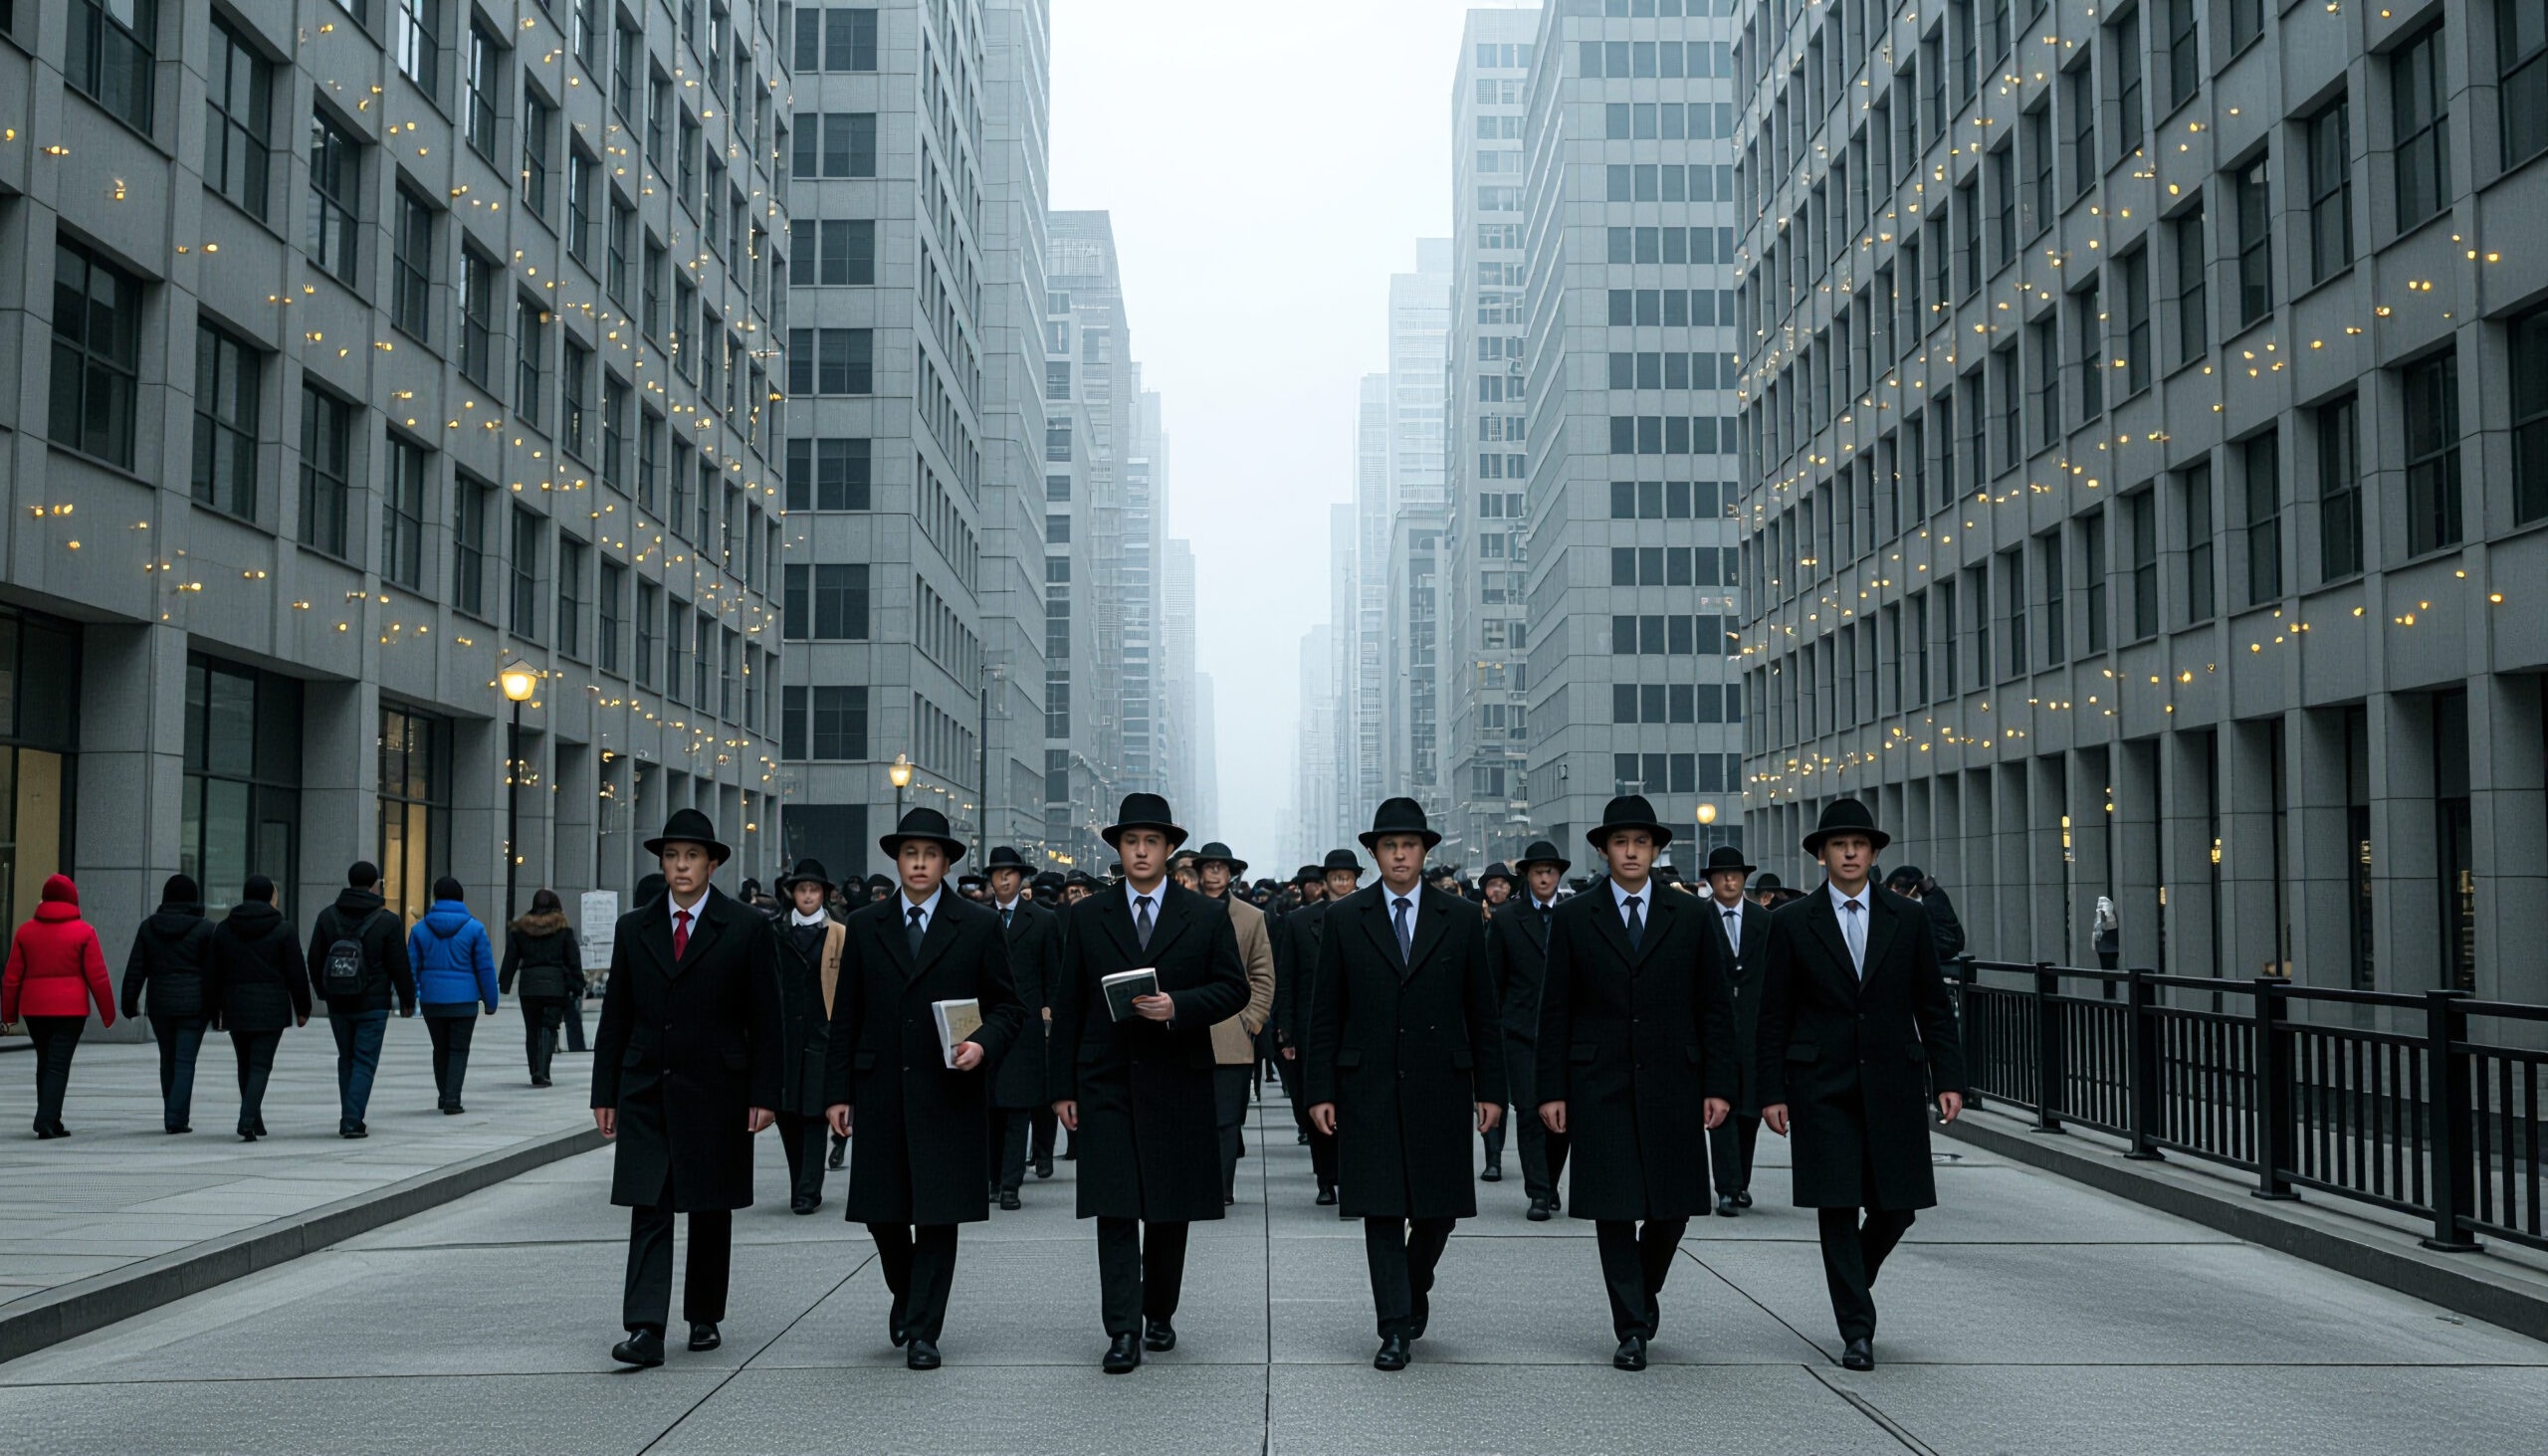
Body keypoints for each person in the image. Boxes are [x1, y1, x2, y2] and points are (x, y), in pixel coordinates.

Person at [1759, 798, 1968, 1371]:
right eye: (1838, 844)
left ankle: (1854, 1279)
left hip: (1894, 1079)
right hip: (1818, 1082)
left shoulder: (1909, 919)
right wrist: (1771, 1091)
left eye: (1859, 844)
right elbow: (1771, 1012)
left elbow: (1932, 1002)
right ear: (1821, 854)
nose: (1849, 853)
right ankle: (1856, 1329)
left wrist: (1949, 1077)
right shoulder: (1791, 922)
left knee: (1897, 1207)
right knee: (1836, 1204)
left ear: (1874, 854)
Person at [1048, 792, 1248, 1372]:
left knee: (1167, 1210)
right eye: (1131, 841)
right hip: (1105, 1078)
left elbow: (1234, 989)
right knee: (1114, 1209)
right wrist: (1063, 1087)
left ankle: (1159, 1311)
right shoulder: (1086, 915)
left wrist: (1178, 1006)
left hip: (1176, 1078)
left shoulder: (1204, 915)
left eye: (1151, 842)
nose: (1140, 850)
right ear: (1118, 849)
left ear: (1168, 850)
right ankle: (1122, 1330)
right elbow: (1069, 1003)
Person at [1536, 795, 1737, 1370]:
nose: (1630, 852)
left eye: (1641, 842)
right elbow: (1555, 1010)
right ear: (1603, 850)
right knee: (1614, 1209)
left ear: (1655, 850)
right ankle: (1630, 1327)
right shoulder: (1576, 916)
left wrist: (1719, 1085)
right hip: (1597, 1081)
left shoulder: (1692, 915)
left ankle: (1642, 1294)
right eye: (1620, 842)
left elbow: (1715, 1007)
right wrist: (1551, 1090)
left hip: (1675, 1078)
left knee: (1673, 1209)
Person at [1306, 799, 1504, 1371]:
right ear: (1374, 853)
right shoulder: (1345, 918)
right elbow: (1326, 1013)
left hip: (1440, 1083)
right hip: (1366, 1084)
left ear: (1424, 852)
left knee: (1438, 1211)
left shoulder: (1461, 918)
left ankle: (1414, 1287)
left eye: (1410, 845)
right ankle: (1393, 1326)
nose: (1399, 854)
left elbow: (1481, 1012)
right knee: (1382, 1211)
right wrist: (1320, 1091)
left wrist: (1491, 1090)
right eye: (1389, 845)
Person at [824, 809, 1024, 1369]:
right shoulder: (865, 924)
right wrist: (837, 1092)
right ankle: (909, 1295)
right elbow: (847, 1014)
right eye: (910, 854)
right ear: (897, 859)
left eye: (930, 855)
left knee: (937, 1213)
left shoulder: (978, 925)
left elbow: (1010, 1007)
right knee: (881, 1213)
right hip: (880, 1085)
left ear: (945, 862)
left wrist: (982, 1044)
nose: (918, 863)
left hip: (948, 1088)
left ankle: (924, 1331)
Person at [591, 807, 784, 1366]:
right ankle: (646, 1327)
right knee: (647, 1204)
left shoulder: (746, 927)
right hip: (646, 1084)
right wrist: (604, 1092)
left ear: (712, 864)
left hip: (718, 1086)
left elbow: (767, 1019)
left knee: (708, 1204)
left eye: (692, 856)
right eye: (672, 856)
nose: (681, 866)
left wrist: (765, 1094)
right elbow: (616, 1016)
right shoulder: (635, 927)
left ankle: (704, 1315)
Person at [1488, 840, 1571, 1221]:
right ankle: (1537, 1192)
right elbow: (1495, 980)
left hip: (1565, 1034)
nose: (1544, 878)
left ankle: (1550, 1183)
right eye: (1537, 871)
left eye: (1550, 871)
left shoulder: (1573, 916)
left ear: (1558, 876)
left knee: (1560, 1117)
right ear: (1526, 875)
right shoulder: (1507, 919)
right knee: (1528, 1112)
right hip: (1520, 1031)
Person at [1190, 841, 1276, 1206]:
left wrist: (1252, 1020)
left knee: (1227, 1120)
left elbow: (1263, 973)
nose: (1214, 874)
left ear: (1231, 874)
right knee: (1192, 1116)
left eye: (1220, 868)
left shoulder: (1251, 917)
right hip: (1188, 1029)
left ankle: (1223, 1187)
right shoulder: (1182, 912)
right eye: (1208, 867)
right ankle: (1195, 1182)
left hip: (1233, 1032)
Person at [305, 861, 417, 1139]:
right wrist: (407, 1000)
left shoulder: (327, 916)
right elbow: (399, 964)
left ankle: (350, 1113)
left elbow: (314, 958)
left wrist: (323, 991)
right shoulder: (387, 920)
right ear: (375, 884)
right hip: (373, 1003)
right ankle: (352, 1119)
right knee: (365, 1060)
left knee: (347, 1057)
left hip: (339, 1003)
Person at [1275, 849, 1363, 1205]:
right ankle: (1325, 1179)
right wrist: (1286, 1032)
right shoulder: (1298, 922)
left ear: (1357, 879)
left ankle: (1354, 1177)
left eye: (1347, 876)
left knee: (1356, 1105)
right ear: (1324, 882)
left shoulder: (1371, 917)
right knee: (1318, 1103)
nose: (1341, 882)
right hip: (1314, 1028)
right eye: (1335, 877)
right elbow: (1287, 979)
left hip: (1360, 1027)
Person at [3, 874, 115, 1139]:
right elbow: (98, 976)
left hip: (34, 1010)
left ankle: (52, 1118)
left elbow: (11, 978)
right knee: (58, 1064)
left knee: (45, 1060)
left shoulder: (25, 932)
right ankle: (45, 1119)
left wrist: (7, 1014)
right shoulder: (84, 932)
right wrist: (108, 1014)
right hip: (70, 1011)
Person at [982, 846, 1060, 1206]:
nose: (1003, 879)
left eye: (1010, 873)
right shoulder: (978, 919)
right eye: (997, 873)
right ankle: (994, 1178)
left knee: (1017, 1109)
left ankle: (1011, 1183)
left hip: (1025, 1025)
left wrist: (1048, 1015)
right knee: (989, 1109)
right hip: (984, 1027)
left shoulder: (1042, 920)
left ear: (1021, 877)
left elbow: (1052, 976)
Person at [206, 875, 310, 1141]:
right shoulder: (283, 928)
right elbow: (296, 971)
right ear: (269, 897)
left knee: (244, 1063)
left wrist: (214, 1008)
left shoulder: (225, 928)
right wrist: (303, 1007)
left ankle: (255, 1119)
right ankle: (247, 1118)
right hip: (271, 1007)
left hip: (236, 1005)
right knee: (261, 1065)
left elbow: (213, 973)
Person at [1698, 845, 1770, 1217]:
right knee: (1720, 1108)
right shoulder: (1698, 918)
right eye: (1721, 875)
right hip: (1715, 1031)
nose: (1729, 880)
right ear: (1710, 881)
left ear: (1745, 879)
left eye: (1736, 874)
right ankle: (1726, 1187)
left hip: (1755, 1029)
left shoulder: (1764, 921)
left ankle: (1740, 1182)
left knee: (1749, 1113)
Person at [772, 858, 846, 1214]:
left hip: (821, 1034)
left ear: (824, 894)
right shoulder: (775, 932)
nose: (807, 895)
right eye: (801, 889)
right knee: (788, 1114)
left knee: (815, 1114)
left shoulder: (839, 933)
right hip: (785, 1037)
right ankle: (798, 1181)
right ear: (792, 893)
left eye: (814, 889)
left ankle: (808, 1189)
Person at [120, 874, 216, 1134]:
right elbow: (213, 972)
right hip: (194, 1004)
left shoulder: (149, 927)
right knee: (185, 1061)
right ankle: (176, 1117)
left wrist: (129, 1001)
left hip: (160, 1003)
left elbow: (136, 968)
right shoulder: (206, 928)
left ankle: (172, 1111)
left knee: (168, 1059)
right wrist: (218, 1008)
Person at [407, 879, 499, 1114]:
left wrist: (410, 997)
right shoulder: (474, 928)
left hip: (432, 1000)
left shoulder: (419, 930)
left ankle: (443, 1094)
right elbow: (485, 968)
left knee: (440, 1048)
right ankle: (452, 1099)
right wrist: (491, 1001)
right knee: (459, 1049)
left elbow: (412, 967)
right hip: (464, 1001)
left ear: (435, 897)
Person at [500, 890, 581, 1088]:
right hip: (555, 985)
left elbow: (511, 958)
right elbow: (573, 960)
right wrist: (577, 984)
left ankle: (534, 1068)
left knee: (532, 1028)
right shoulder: (563, 930)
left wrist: (504, 984)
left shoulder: (521, 929)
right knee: (549, 1026)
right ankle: (543, 1070)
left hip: (529, 985)